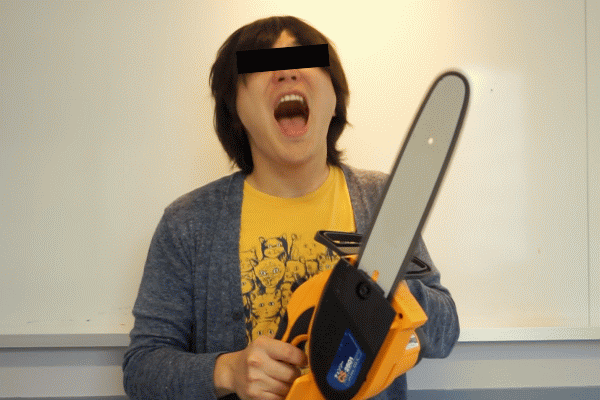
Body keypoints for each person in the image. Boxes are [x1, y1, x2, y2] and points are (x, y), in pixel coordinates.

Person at [123, 15, 459, 400]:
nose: (286, 73)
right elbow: (141, 369)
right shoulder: (188, 224)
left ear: (334, 99)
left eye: (306, 60)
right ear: (235, 110)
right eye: (262, 65)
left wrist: (389, 291)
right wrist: (228, 370)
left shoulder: (381, 200)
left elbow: (445, 332)